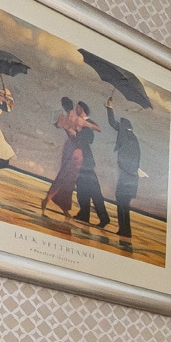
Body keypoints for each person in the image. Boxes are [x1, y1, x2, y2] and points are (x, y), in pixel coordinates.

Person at [46, 96, 93, 216]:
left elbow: (56, 125)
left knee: (65, 176)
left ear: (64, 107)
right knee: (68, 178)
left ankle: (51, 202)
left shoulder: (63, 118)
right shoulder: (76, 119)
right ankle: (60, 206)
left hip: (70, 148)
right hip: (75, 150)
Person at [104, 103, 142, 241]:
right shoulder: (133, 139)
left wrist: (109, 108)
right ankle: (125, 231)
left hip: (126, 178)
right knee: (124, 205)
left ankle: (124, 231)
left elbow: (112, 123)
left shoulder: (126, 137)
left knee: (122, 203)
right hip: (131, 179)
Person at [70, 102, 109, 231]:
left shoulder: (88, 122)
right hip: (80, 159)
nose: (76, 109)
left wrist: (81, 129)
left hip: (86, 160)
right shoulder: (79, 122)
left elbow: (91, 137)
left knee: (94, 191)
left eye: (78, 107)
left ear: (82, 108)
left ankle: (104, 218)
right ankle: (84, 214)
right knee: (81, 189)